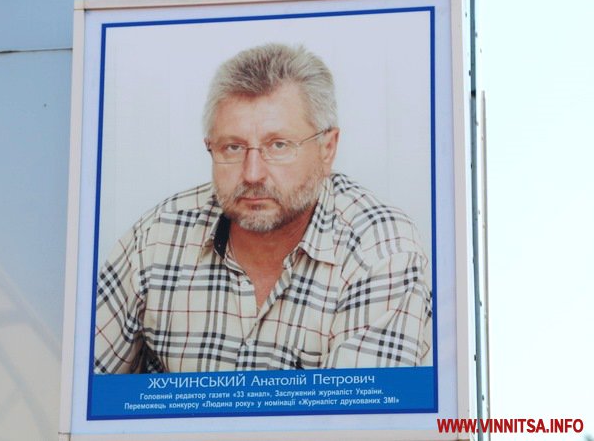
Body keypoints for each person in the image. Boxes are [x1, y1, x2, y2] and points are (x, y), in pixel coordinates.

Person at [94, 43, 432, 373]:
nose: (252, 174)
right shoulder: (156, 238)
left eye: (278, 145)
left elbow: (360, 410)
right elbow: (83, 390)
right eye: (233, 147)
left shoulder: (381, 251)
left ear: (327, 148)